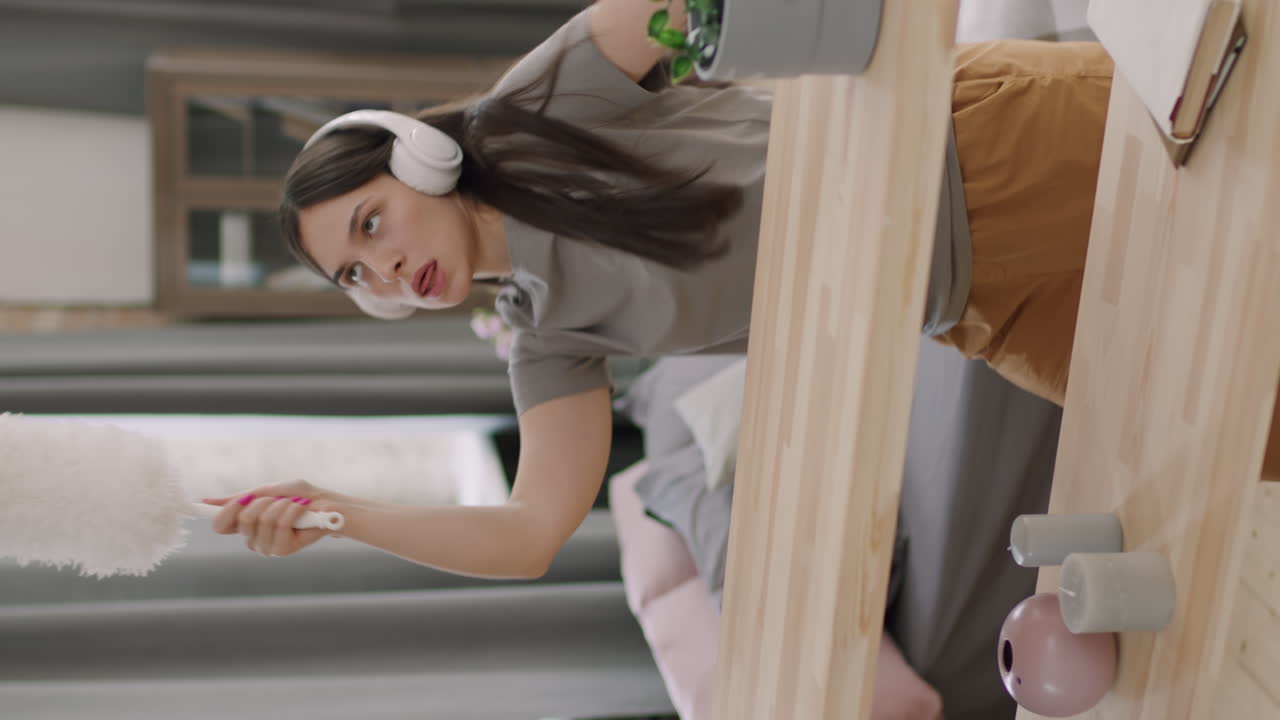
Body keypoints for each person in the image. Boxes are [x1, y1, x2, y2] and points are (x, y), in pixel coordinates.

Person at [206, 0, 1115, 570]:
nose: (387, 269)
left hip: (984, 151)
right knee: (1248, 422)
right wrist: (345, 516)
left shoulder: (538, 106)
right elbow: (529, 536)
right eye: (357, 276)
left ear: (418, 155)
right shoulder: (548, 338)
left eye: (372, 223)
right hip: (976, 310)